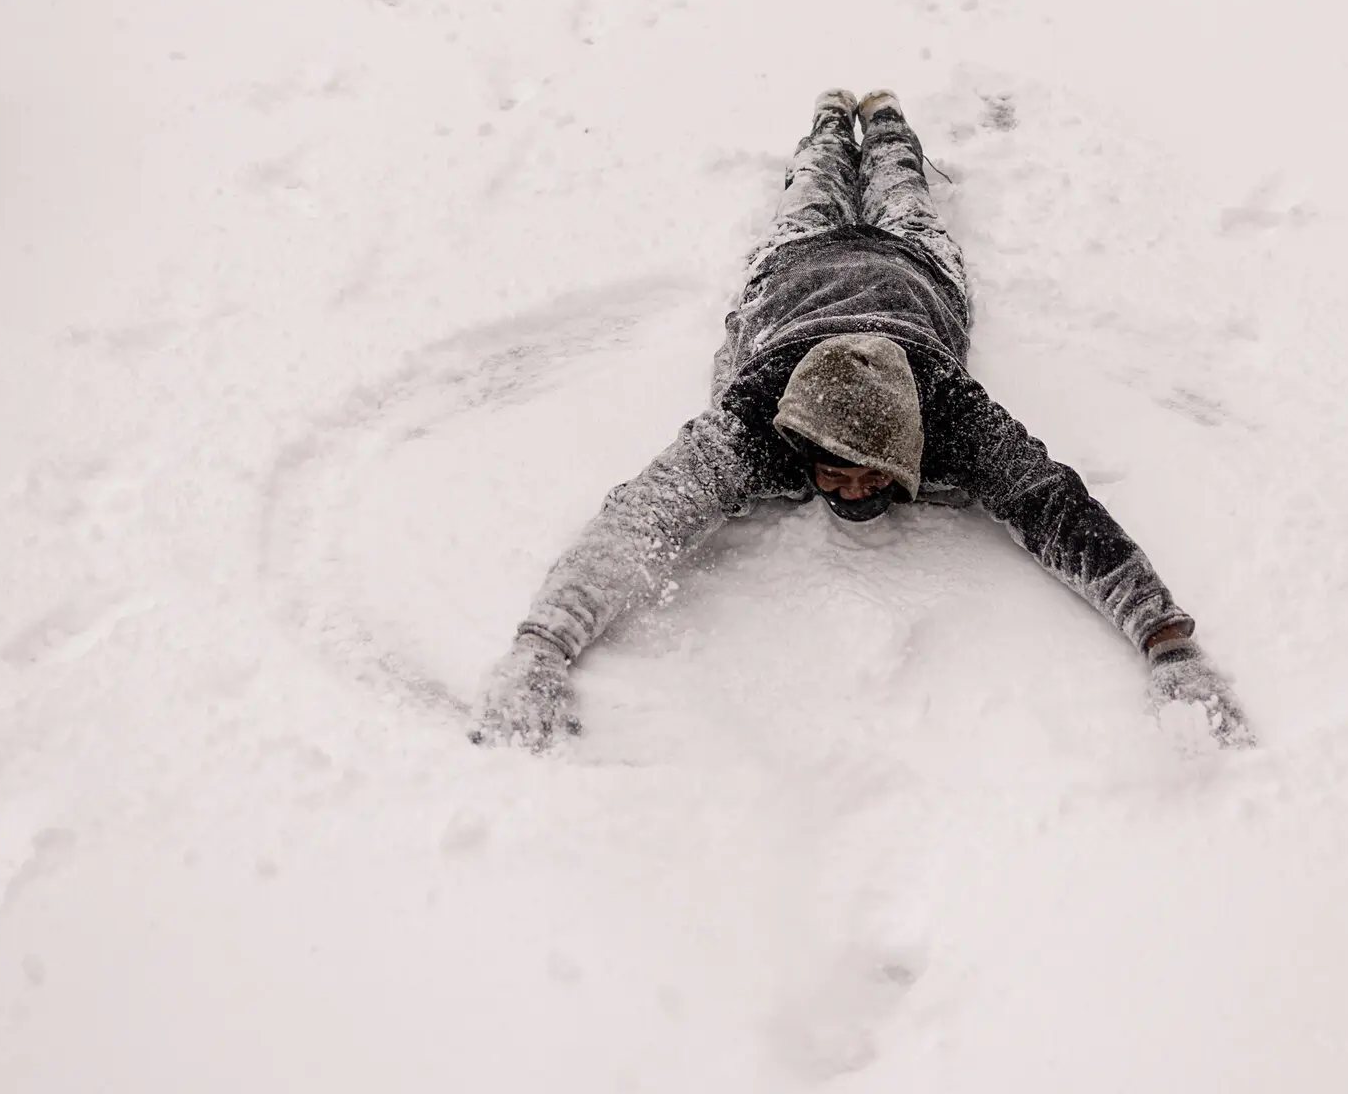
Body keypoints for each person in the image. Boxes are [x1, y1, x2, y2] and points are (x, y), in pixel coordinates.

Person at [471, 89, 1254, 751]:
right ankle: (827, 123)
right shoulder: (755, 424)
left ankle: (882, 121)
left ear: (912, 446)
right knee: (812, 185)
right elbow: (642, 519)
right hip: (794, 263)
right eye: (833, 471)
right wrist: (543, 647)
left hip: (917, 266)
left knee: (902, 187)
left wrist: (1167, 643)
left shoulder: (950, 412)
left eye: (872, 470)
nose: (850, 492)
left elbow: (1054, 506)